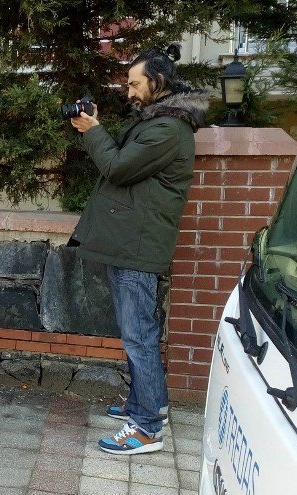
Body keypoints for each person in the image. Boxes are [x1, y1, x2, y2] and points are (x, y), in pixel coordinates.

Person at [68, 44, 208, 455]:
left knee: (139, 338)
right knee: (139, 335)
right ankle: (152, 405)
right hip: (132, 241)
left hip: (137, 245)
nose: (128, 91)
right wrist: (93, 130)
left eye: (134, 83)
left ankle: (146, 428)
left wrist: (92, 131)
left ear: (157, 82)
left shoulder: (167, 129)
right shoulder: (160, 122)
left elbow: (117, 167)